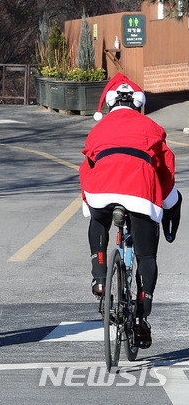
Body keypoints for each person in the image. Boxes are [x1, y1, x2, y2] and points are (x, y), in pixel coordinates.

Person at [80, 73, 182, 349]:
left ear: (110, 105)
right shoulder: (152, 126)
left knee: (98, 220)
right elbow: (166, 170)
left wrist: (87, 202)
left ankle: (100, 277)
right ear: (138, 104)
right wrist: (171, 204)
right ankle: (141, 315)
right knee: (146, 255)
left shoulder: (98, 129)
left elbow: (86, 165)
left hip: (102, 188)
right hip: (139, 191)